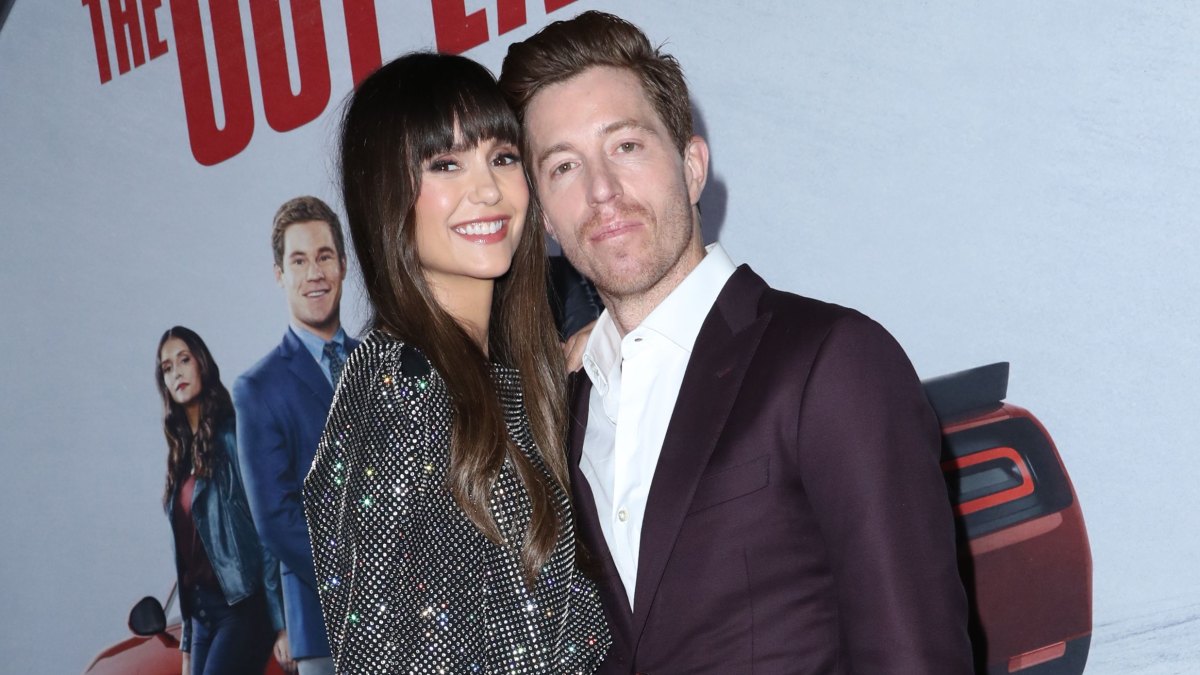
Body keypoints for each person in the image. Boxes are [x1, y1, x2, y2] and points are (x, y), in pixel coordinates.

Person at [499, 11, 974, 674]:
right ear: (545, 216)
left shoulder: (831, 362)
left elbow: (916, 657)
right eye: (564, 167)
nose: (602, 191)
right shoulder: (563, 414)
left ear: (692, 166)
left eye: (627, 146)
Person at [301, 52, 610, 674]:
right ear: (386, 197)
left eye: (501, 157)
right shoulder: (403, 389)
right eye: (445, 164)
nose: (488, 190)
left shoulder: (499, 377)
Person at [233, 196, 354, 675]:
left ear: (343, 265)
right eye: (299, 261)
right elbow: (276, 520)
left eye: (324, 256)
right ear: (279, 274)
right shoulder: (257, 388)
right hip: (324, 626)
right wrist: (361, 578)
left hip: (413, 613)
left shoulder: (381, 363)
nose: (315, 273)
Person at [155, 326, 286, 674]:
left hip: (242, 611)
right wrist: (186, 645)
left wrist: (280, 622)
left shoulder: (233, 437)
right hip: (201, 619)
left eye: (184, 360)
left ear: (202, 365)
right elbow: (188, 560)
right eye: (167, 368)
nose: (177, 372)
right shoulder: (180, 458)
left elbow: (267, 529)